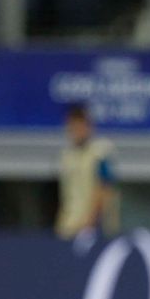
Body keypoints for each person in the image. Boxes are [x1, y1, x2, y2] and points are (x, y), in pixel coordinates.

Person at [55, 104, 119, 245]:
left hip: (94, 229)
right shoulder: (67, 156)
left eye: (81, 126)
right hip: (69, 226)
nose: (77, 131)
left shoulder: (100, 153)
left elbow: (104, 188)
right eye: (74, 127)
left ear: (89, 126)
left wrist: (90, 223)